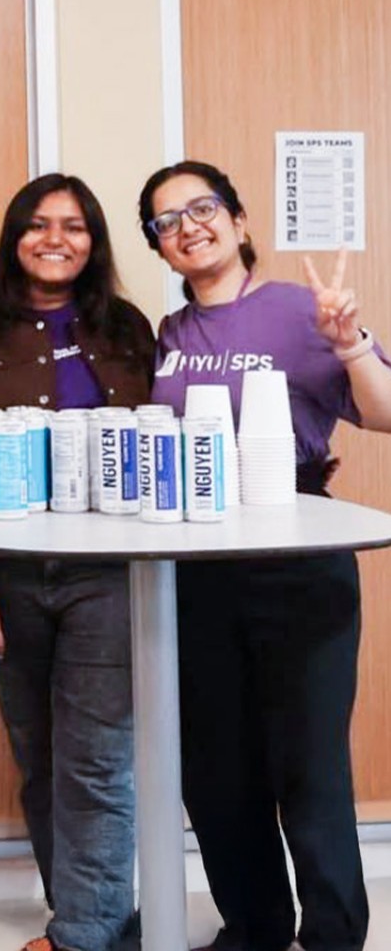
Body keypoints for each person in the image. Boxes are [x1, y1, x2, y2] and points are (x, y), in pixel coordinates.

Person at [138, 159, 391, 951]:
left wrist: (350, 343)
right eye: (166, 221)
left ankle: (333, 936)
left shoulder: (297, 312)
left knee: (307, 767)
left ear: (240, 222)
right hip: (199, 574)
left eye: (202, 207)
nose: (188, 226)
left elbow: (384, 413)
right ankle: (252, 928)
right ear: (159, 249)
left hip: (296, 566)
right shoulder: (169, 335)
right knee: (215, 773)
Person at [0, 172, 155, 951]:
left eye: (74, 225)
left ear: (94, 242)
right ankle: (100, 918)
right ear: (12, 236)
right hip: (10, 574)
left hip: (109, 574)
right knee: (41, 760)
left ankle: (82, 932)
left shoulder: (125, 326)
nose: (55, 238)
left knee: (96, 759)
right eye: (37, 223)